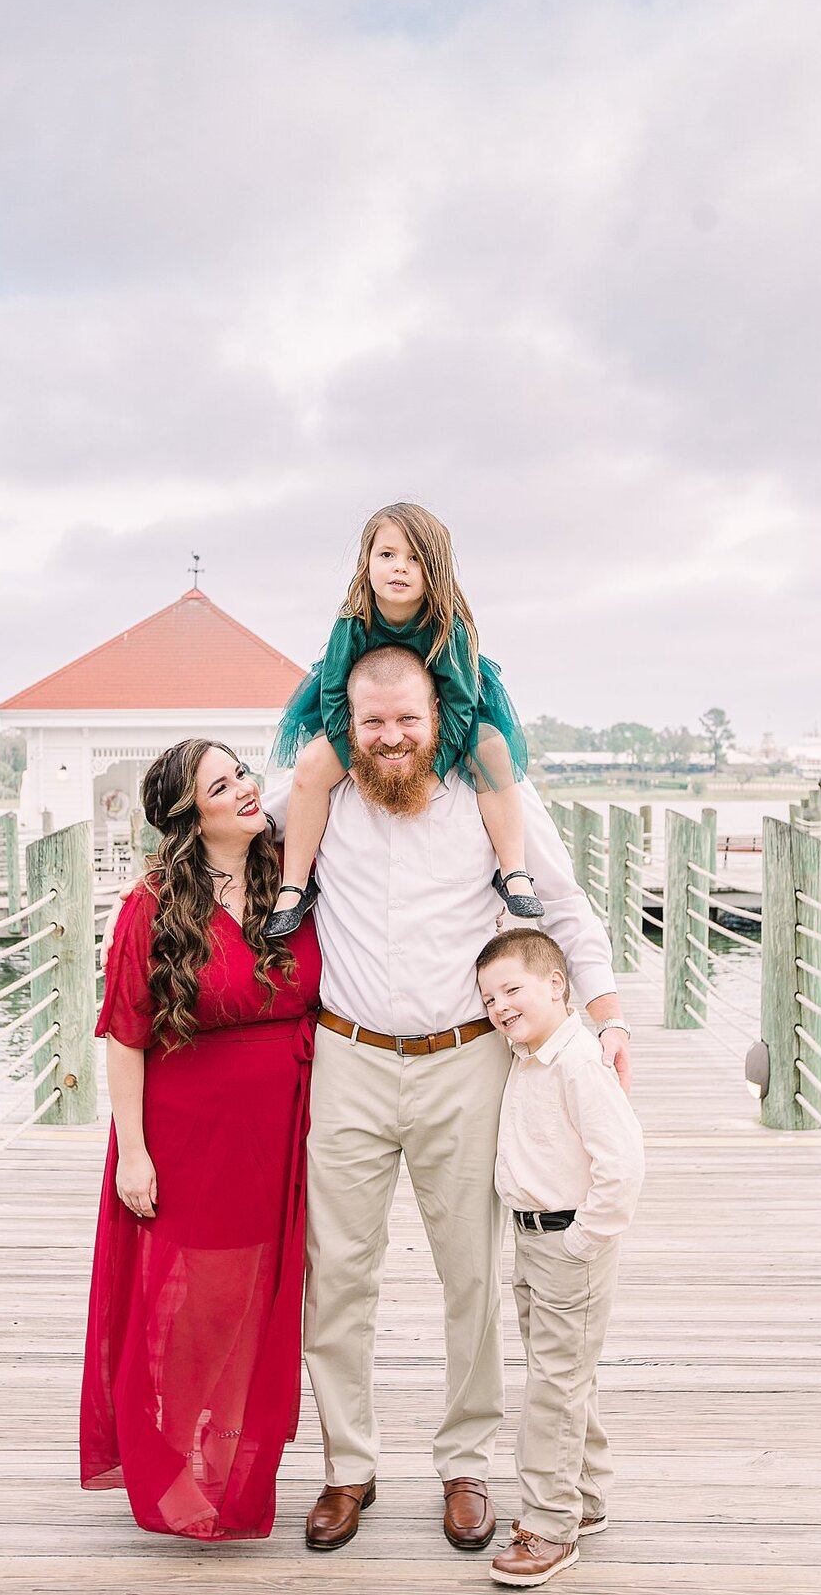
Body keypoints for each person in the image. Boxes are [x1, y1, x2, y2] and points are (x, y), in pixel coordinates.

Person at [261, 644, 631, 1554]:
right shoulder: (315, 795)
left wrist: (610, 1015)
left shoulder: (487, 795)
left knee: (470, 1275)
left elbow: (566, 904)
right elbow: (224, 843)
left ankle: (465, 1462)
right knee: (337, 1277)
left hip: (466, 1063)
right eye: (371, 722)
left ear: (438, 718)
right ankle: (348, 1468)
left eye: (408, 720)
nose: (390, 737)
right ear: (348, 722)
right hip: (346, 1056)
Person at [79, 739, 322, 1541]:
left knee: (270, 1296)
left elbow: (324, 757)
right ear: (192, 813)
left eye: (245, 773)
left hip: (286, 1131)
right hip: (192, 1136)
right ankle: (175, 1460)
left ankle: (244, 1460)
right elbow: (124, 1034)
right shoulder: (153, 905)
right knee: (200, 1305)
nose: (250, 790)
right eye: (225, 785)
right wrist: (135, 1152)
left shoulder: (292, 872)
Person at [264, 501, 544, 939]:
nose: (400, 568)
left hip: (444, 718)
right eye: (388, 555)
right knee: (314, 764)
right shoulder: (352, 623)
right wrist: (354, 762)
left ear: (435, 569)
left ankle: (514, 871)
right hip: (366, 717)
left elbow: (460, 705)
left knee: (492, 748)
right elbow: (334, 698)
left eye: (415, 558)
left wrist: (435, 768)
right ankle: (295, 885)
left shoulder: (448, 627)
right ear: (367, 562)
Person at [477, 930, 644, 1588]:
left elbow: (623, 1164)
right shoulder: (530, 1053)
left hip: (569, 1241)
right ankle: (587, 1494)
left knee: (554, 1383)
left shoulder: (577, 1061)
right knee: (569, 1372)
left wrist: (580, 1241)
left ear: (556, 984)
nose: (499, 1007)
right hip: (534, 1237)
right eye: (490, 998)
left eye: (512, 989)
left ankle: (550, 1526)